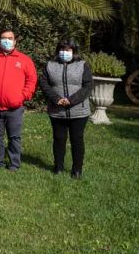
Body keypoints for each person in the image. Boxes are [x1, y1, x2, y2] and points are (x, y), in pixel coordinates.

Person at [0, 29, 37, 171]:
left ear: (15, 41)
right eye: (4, 38)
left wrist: (23, 96)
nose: (7, 41)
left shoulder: (24, 60)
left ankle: (14, 163)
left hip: (15, 107)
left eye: (10, 38)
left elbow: (31, 80)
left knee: (14, 137)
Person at [39, 39, 93, 179]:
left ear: (74, 51)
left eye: (68, 50)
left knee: (77, 139)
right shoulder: (50, 65)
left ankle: (77, 170)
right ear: (58, 51)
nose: (65, 52)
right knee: (58, 139)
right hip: (57, 111)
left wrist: (71, 100)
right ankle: (58, 167)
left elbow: (87, 86)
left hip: (79, 111)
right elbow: (44, 84)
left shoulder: (82, 65)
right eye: (62, 49)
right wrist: (57, 99)